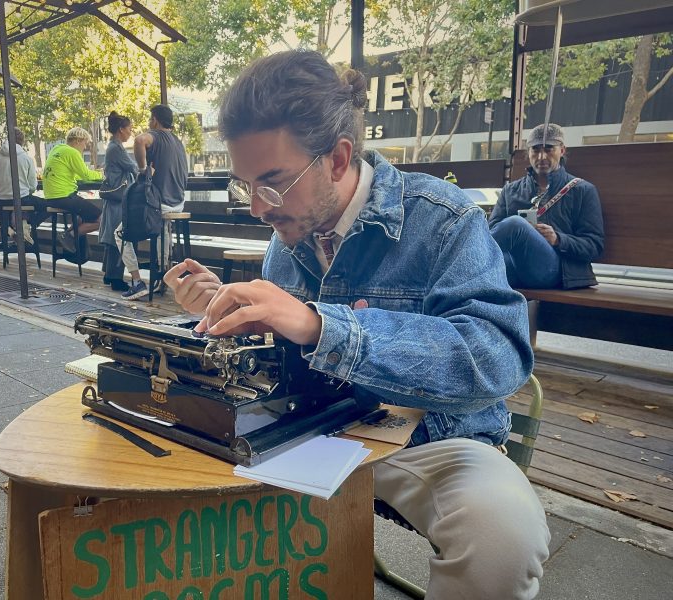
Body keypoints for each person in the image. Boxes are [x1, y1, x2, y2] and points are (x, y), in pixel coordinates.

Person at [163, 50, 550, 599]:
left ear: (339, 159)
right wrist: (218, 312)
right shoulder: (289, 232)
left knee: (502, 540)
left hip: (427, 439)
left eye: (271, 183)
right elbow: (277, 355)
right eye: (244, 184)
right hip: (300, 429)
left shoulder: (444, 219)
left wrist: (325, 327)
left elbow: (497, 356)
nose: (256, 208)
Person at [489, 123, 605, 289]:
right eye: (535, 149)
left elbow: (594, 246)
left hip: (556, 271)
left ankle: (461, 266)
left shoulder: (582, 190)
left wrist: (558, 239)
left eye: (549, 149)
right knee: (508, 232)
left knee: (515, 224)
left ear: (562, 150)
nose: (541, 156)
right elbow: (492, 231)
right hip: (513, 267)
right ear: (528, 153)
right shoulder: (511, 190)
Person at [118, 104, 187, 300]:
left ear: (155, 119)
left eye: (150, 118)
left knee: (119, 233)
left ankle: (138, 281)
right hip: (178, 203)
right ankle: (163, 277)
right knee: (162, 229)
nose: (149, 122)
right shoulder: (178, 141)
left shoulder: (155, 135)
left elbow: (140, 140)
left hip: (161, 204)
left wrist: (142, 169)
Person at [42, 127, 102, 255]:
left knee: (82, 216)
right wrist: (102, 175)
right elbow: (86, 175)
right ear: (78, 141)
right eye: (85, 142)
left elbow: (75, 175)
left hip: (51, 197)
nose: (85, 146)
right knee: (103, 220)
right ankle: (71, 234)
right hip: (64, 196)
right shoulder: (72, 152)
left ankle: (67, 234)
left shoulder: (57, 149)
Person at [99, 111, 138, 292]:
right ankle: (116, 278)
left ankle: (109, 274)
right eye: (129, 129)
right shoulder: (117, 148)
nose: (131, 132)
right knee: (118, 236)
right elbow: (133, 167)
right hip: (118, 198)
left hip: (113, 197)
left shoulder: (113, 146)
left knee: (112, 236)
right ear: (121, 129)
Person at [0, 127, 39, 246]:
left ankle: (9, 230)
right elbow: (33, 185)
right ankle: (24, 227)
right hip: (21, 199)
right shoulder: (26, 158)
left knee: (6, 214)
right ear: (22, 141)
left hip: (1, 200)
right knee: (45, 205)